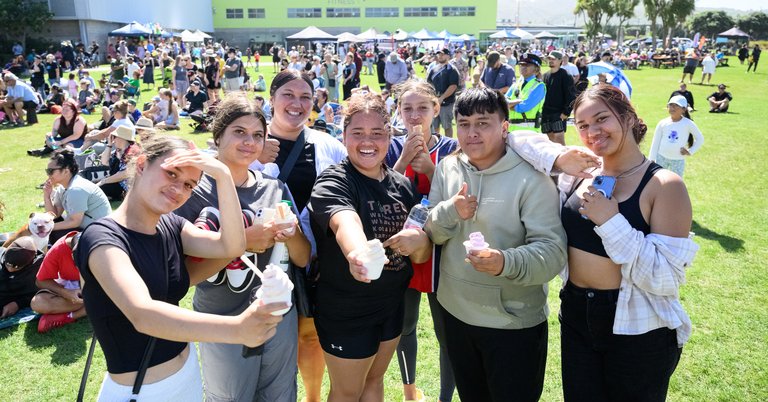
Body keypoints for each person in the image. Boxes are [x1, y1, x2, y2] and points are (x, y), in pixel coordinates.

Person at [519, 84, 697, 402]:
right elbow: (515, 138)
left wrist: (611, 221)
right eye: (583, 125)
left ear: (628, 117)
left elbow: (665, 278)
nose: (592, 132)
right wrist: (558, 156)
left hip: (639, 326)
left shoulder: (664, 185)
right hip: (575, 313)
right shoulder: (578, 174)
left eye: (602, 119)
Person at [73, 135, 287, 400]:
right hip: (140, 391)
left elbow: (231, 247)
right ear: (141, 165)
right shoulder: (102, 238)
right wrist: (238, 329)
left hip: (186, 375)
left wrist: (221, 175)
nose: (179, 189)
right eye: (171, 174)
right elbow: (143, 315)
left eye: (189, 185)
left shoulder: (169, 225)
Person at [423, 88, 566, 402]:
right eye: (463, 124)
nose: (471, 133)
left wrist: (505, 261)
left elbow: (553, 252)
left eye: (483, 123)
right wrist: (450, 211)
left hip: (512, 323)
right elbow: (431, 231)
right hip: (455, 314)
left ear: (505, 127)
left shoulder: (533, 179)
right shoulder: (449, 167)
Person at [175, 93, 311, 401]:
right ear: (218, 134)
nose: (249, 142)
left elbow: (302, 259)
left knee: (279, 395)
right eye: (239, 132)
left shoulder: (274, 188)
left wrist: (289, 232)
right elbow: (185, 277)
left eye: (257, 135)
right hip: (221, 320)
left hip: (278, 317)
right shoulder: (192, 192)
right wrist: (242, 242)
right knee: (230, 397)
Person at [308, 93, 432, 402]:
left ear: (389, 136)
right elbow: (344, 221)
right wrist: (358, 253)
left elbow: (422, 251)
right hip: (346, 310)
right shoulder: (334, 181)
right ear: (344, 136)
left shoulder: (402, 186)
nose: (368, 141)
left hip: (391, 305)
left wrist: (420, 243)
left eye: (377, 133)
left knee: (375, 382)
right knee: (348, 392)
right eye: (358, 133)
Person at [254, 69, 348, 402]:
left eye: (305, 97)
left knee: (309, 336)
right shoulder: (250, 142)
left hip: (314, 258)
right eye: (288, 95)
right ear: (272, 99)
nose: (297, 103)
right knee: (269, 335)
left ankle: (311, 397)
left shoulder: (328, 145)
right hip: (261, 258)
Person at [385, 79, 458, 402]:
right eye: (407, 108)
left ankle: (445, 396)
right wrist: (402, 163)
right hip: (402, 250)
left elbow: (461, 199)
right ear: (398, 112)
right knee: (406, 326)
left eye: (422, 108)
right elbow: (381, 194)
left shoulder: (451, 149)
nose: (415, 116)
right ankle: (409, 390)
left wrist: (430, 168)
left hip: (444, 252)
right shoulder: (389, 146)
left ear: (436, 109)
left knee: (447, 333)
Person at [43, 149, 111, 244]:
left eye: (50, 171)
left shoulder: (76, 189)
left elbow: (75, 222)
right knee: (46, 226)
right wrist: (47, 196)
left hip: (99, 233)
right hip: (86, 228)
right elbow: (54, 215)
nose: (48, 175)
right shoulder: (62, 188)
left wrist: (48, 227)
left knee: (54, 234)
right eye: (47, 171)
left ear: (66, 171)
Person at [31, 231, 86, 333]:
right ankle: (84, 308)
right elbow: (41, 281)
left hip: (96, 289)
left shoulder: (101, 247)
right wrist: (65, 293)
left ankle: (70, 316)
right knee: (37, 303)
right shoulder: (58, 250)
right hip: (72, 289)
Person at [648, 95, 704, 178]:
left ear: (684, 109)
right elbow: (655, 141)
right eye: (670, 105)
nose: (672, 108)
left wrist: (690, 151)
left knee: (675, 183)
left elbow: (700, 139)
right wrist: (651, 159)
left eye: (676, 105)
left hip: (678, 160)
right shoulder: (662, 123)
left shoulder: (688, 123)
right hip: (661, 158)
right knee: (658, 180)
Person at [0, 237, 43, 319]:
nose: (10, 269)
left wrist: (17, 304)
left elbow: (43, 292)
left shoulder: (39, 267)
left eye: (16, 268)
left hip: (19, 298)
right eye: (7, 264)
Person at [97, 125, 141, 200]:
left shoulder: (132, 151)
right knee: (95, 187)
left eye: (114, 137)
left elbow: (125, 173)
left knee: (97, 190)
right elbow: (104, 162)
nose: (113, 140)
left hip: (127, 187)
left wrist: (104, 181)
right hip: (118, 183)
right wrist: (109, 145)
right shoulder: (119, 150)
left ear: (122, 138)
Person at [542, 51, 576, 145]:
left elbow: (572, 96)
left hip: (559, 113)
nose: (551, 61)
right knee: (549, 143)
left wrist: (566, 112)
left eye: (553, 59)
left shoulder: (566, 76)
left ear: (560, 60)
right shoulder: (545, 76)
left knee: (560, 143)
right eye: (549, 59)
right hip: (546, 114)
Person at [506, 53, 546, 131]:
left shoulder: (539, 86)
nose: (523, 67)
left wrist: (509, 105)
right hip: (511, 130)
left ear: (536, 69)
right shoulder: (516, 84)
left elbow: (524, 107)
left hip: (528, 132)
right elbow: (502, 102)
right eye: (521, 65)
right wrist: (518, 102)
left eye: (527, 65)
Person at [427, 49, 460, 138]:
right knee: (434, 126)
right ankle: (435, 144)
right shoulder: (433, 69)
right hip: (434, 102)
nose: (440, 56)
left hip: (447, 103)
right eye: (439, 54)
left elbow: (453, 86)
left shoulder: (452, 70)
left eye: (442, 54)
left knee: (447, 126)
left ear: (448, 56)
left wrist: (442, 98)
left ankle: (448, 145)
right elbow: (428, 83)